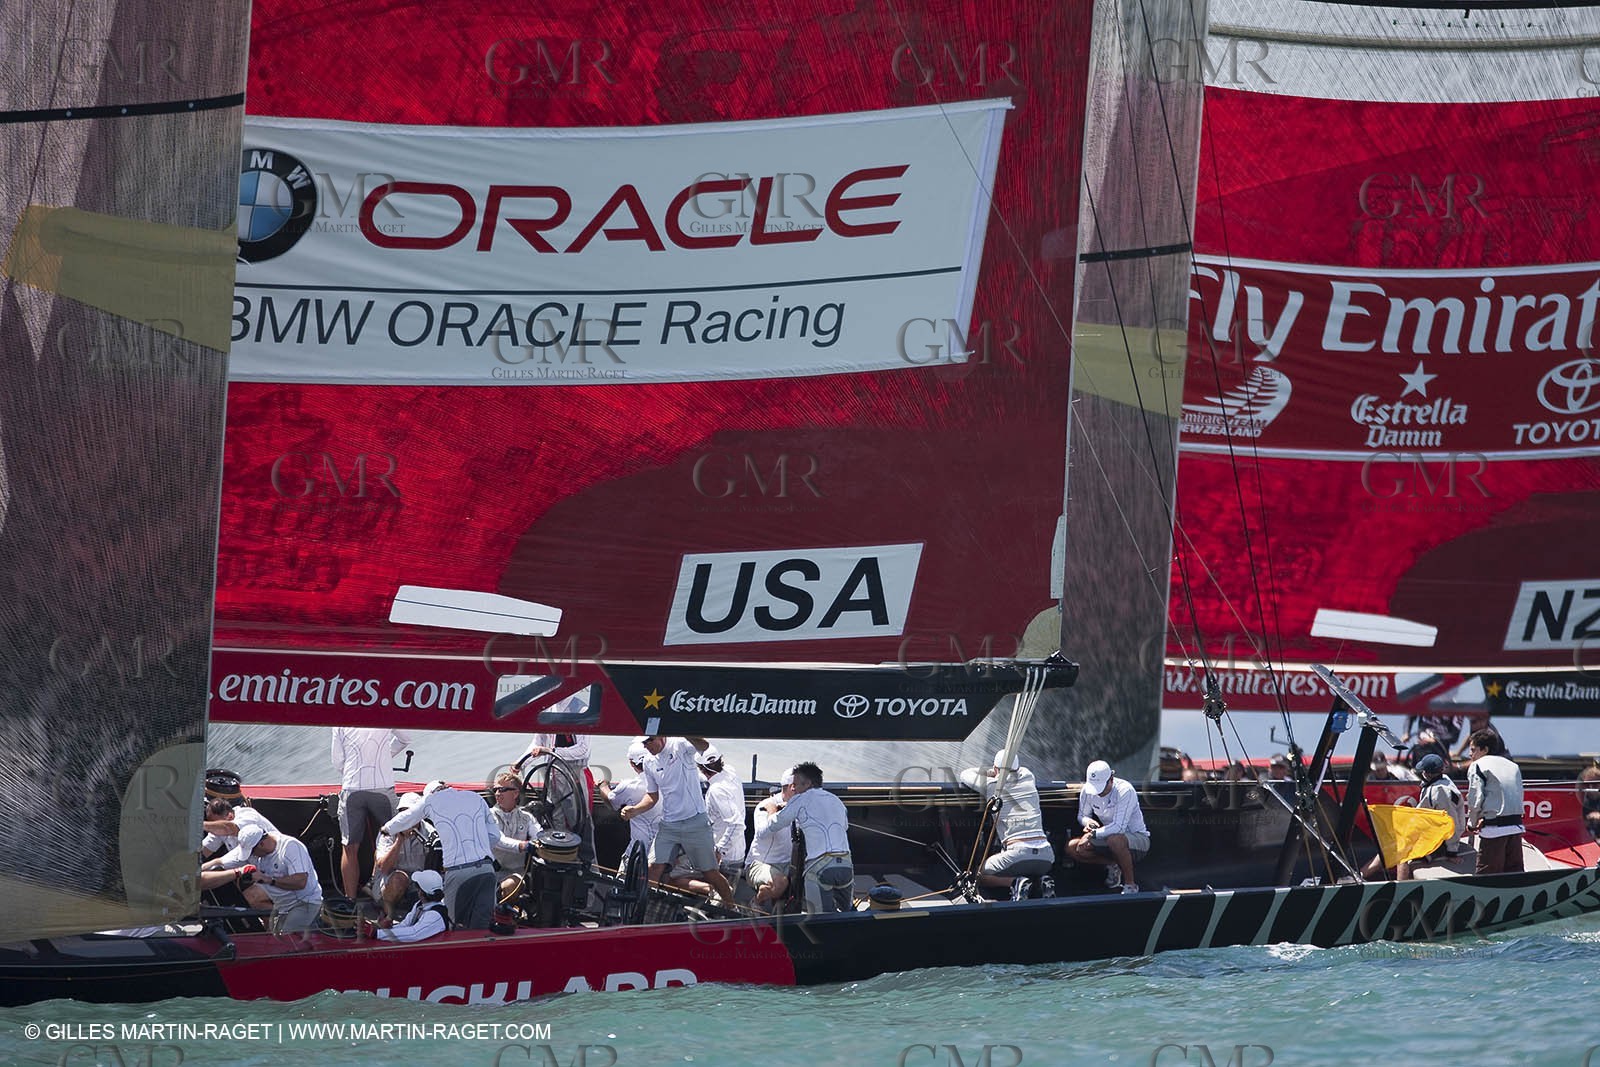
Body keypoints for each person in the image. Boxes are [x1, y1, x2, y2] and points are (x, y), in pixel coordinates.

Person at [382, 780, 532, 930]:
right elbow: (494, 836)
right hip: (486, 870)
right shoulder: (476, 798)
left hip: (459, 872)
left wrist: (387, 829)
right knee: (483, 925)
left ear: (431, 794)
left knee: (449, 922)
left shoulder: (431, 800)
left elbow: (407, 817)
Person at [619, 736, 737, 905]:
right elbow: (652, 796)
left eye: (650, 741)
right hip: (668, 826)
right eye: (644, 743)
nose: (647, 746)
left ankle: (732, 908)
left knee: (710, 872)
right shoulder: (648, 762)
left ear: (661, 736)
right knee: (653, 869)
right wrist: (635, 810)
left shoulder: (680, 744)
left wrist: (682, 728)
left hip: (696, 822)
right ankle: (644, 914)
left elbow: (704, 745)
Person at [331, 726, 412, 901]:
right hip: (383, 786)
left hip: (352, 787)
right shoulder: (384, 713)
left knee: (350, 847)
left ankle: (350, 900)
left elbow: (337, 761)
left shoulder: (339, 721)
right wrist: (384, 757)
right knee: (395, 836)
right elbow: (405, 738)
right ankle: (387, 890)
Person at [959, 749, 1054, 895]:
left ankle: (1015, 883)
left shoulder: (992, 785)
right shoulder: (1029, 777)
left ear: (996, 769)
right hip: (1047, 856)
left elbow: (965, 774)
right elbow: (1020, 770)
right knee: (1029, 867)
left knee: (978, 875)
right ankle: (1039, 883)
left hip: (1018, 854)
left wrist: (991, 772)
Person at [761, 762, 853, 913]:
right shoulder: (837, 801)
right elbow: (844, 827)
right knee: (848, 914)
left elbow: (773, 825)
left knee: (821, 920)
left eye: (796, 784)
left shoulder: (800, 799)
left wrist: (771, 809)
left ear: (808, 783)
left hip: (819, 867)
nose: (793, 788)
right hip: (845, 865)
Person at [1361, 753, 1466, 881]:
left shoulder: (1441, 792)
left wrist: (1452, 852)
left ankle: (1401, 890)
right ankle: (1359, 876)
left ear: (1428, 773)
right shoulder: (1437, 782)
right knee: (1392, 846)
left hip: (1439, 841)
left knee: (1402, 854)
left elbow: (1452, 822)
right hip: (1429, 832)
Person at [207, 826, 324, 935]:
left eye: (252, 852)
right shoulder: (253, 846)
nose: (250, 856)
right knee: (251, 898)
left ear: (261, 844)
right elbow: (220, 862)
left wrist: (269, 880)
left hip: (305, 903)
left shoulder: (290, 847)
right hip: (282, 904)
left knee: (285, 944)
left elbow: (300, 882)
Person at [1066, 760, 1151, 894]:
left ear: (1111, 779)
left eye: (1101, 787)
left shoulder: (1125, 790)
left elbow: (1119, 828)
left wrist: (1091, 834)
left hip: (1138, 840)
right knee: (1073, 847)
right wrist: (1088, 822)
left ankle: (1131, 885)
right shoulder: (1087, 791)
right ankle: (1113, 865)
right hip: (1107, 836)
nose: (1097, 793)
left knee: (1115, 840)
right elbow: (1082, 816)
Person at [513, 732, 595, 865]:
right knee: (557, 822)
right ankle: (559, 862)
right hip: (551, 771)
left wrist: (550, 751)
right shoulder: (548, 714)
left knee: (580, 823)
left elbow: (583, 750)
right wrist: (521, 762)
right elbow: (538, 742)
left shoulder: (579, 714)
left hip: (572, 771)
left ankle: (589, 870)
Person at [1465, 727, 1525, 874]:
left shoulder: (1477, 765)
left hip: (1494, 830)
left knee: (1487, 875)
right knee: (1515, 874)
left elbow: (1475, 797)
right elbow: (1519, 794)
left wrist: (1472, 823)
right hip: (1516, 827)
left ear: (1484, 749)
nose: (1470, 754)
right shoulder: (1513, 766)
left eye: (1473, 750)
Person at [599, 741, 662, 868]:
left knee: (622, 884)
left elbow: (611, 802)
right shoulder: (667, 780)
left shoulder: (629, 786)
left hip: (638, 853)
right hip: (663, 853)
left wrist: (603, 786)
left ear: (632, 763)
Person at [370, 792, 429, 920]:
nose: (407, 817)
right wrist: (400, 840)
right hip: (389, 881)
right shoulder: (387, 831)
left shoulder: (430, 832)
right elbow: (384, 868)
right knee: (399, 879)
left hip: (418, 882)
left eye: (411, 813)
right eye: (403, 812)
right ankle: (389, 917)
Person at [489, 771, 542, 902]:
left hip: (517, 872)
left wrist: (540, 843)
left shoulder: (526, 816)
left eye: (502, 789)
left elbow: (539, 835)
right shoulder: (489, 815)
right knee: (510, 886)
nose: (497, 793)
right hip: (492, 873)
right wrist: (523, 845)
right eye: (495, 790)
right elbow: (498, 840)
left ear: (516, 793)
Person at [697, 745, 747, 882]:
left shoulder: (716, 791)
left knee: (719, 900)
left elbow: (736, 824)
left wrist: (719, 850)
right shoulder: (731, 772)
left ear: (702, 768)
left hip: (725, 859)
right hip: (738, 852)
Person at [746, 776, 796, 911]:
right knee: (780, 883)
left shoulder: (799, 805)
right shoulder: (766, 805)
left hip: (788, 864)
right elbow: (763, 833)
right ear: (792, 787)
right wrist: (773, 812)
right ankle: (756, 902)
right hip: (760, 863)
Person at [374, 868, 450, 943]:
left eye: (418, 888)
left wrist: (377, 934)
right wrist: (381, 929)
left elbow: (414, 934)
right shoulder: (419, 905)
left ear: (421, 892)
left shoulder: (435, 914)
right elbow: (405, 925)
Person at [1578, 765, 1600, 842]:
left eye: (1594, 784)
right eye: (1587, 785)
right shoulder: (1582, 799)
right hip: (1586, 840)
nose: (1590, 788)